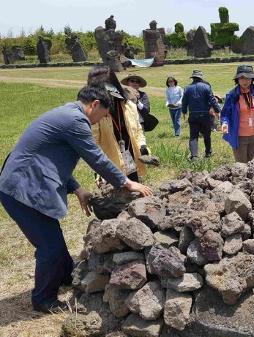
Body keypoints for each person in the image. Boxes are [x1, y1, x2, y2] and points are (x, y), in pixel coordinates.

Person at [0, 86, 153, 313]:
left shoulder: (65, 114)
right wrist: (127, 182)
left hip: (22, 183)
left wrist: (78, 188)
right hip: (22, 189)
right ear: (94, 105)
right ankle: (43, 299)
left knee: (52, 240)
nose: (99, 121)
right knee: (49, 247)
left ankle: (64, 276)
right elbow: (96, 157)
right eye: (102, 115)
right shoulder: (75, 120)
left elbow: (51, 157)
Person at [88, 66, 149, 182]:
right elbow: (92, 142)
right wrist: (97, 168)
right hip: (110, 164)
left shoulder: (128, 106)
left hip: (131, 157)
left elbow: (138, 130)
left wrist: (142, 145)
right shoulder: (95, 111)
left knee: (134, 189)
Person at [220, 65, 254, 163]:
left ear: (252, 79)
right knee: (241, 166)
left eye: (248, 78)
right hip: (239, 137)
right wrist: (224, 123)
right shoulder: (232, 95)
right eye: (242, 78)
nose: (245, 81)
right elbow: (225, 114)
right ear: (237, 79)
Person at [182, 70, 221, 160]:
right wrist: (217, 110)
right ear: (201, 77)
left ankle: (194, 156)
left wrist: (184, 111)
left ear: (193, 78)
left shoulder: (187, 88)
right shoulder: (206, 87)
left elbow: (184, 102)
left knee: (193, 136)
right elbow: (212, 100)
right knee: (207, 135)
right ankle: (208, 153)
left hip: (193, 115)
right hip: (205, 115)